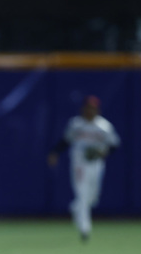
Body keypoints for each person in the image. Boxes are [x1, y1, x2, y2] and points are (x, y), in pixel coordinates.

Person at [47, 95, 121, 242]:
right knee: (82, 193)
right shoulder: (76, 124)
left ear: (97, 110)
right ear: (83, 108)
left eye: (93, 108)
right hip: (79, 163)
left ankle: (76, 208)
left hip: (96, 164)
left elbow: (114, 145)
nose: (90, 111)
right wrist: (55, 152)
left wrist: (103, 151)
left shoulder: (104, 126)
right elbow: (66, 141)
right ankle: (85, 229)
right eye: (88, 108)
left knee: (92, 198)